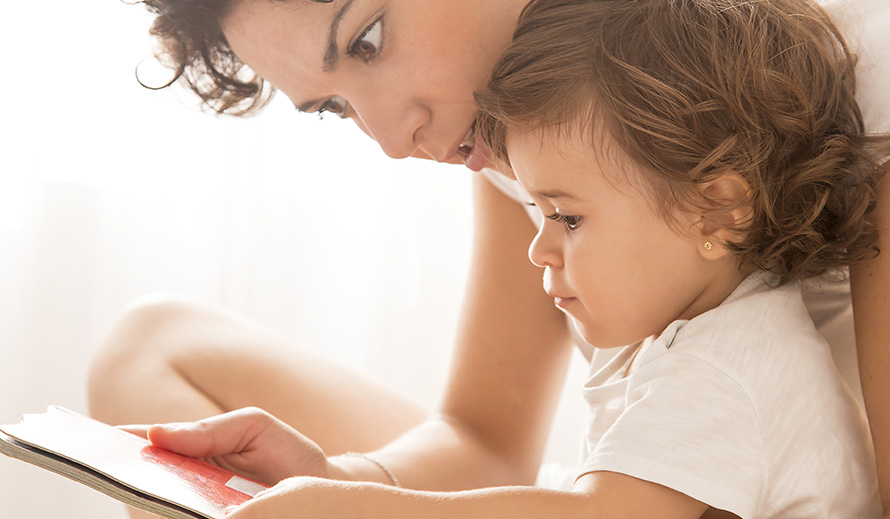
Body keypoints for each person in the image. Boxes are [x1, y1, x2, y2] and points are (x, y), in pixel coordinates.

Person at [87, 0, 890, 517]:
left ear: (723, 200)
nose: (394, 142)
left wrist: (356, 513)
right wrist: (338, 476)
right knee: (152, 343)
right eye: (334, 107)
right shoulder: (522, 135)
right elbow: (485, 437)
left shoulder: (866, 77)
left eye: (366, 38)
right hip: (630, 483)